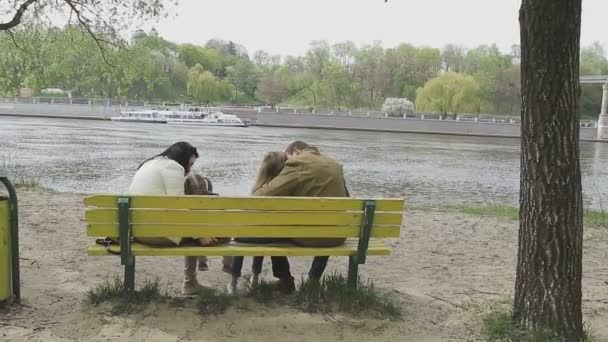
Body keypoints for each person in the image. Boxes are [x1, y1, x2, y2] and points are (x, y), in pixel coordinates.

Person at [253, 141, 350, 293]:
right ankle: (313, 281)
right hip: (337, 236)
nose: (285, 164)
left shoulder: (297, 163)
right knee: (329, 222)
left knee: (272, 226)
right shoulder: (335, 164)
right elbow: (347, 198)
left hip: (307, 237)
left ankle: (285, 280)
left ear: (296, 151)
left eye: (287, 157)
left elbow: (261, 197)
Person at [128, 142, 208, 295]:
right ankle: (190, 283)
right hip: (155, 235)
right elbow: (177, 207)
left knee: (194, 229)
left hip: (135, 231)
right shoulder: (174, 168)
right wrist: (200, 234)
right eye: (190, 164)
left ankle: (191, 282)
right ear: (183, 159)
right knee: (199, 234)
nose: (189, 169)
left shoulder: (149, 164)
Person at [227, 151, 289, 295]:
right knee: (262, 232)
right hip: (276, 238)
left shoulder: (258, 190)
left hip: (255, 237)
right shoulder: (286, 190)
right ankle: (255, 278)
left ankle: (233, 282)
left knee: (242, 235)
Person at [184, 173, 233, 274]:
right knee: (227, 234)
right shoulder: (216, 199)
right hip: (219, 238)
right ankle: (227, 263)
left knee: (194, 236)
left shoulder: (186, 204)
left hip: (200, 241)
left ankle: (202, 262)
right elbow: (225, 220)